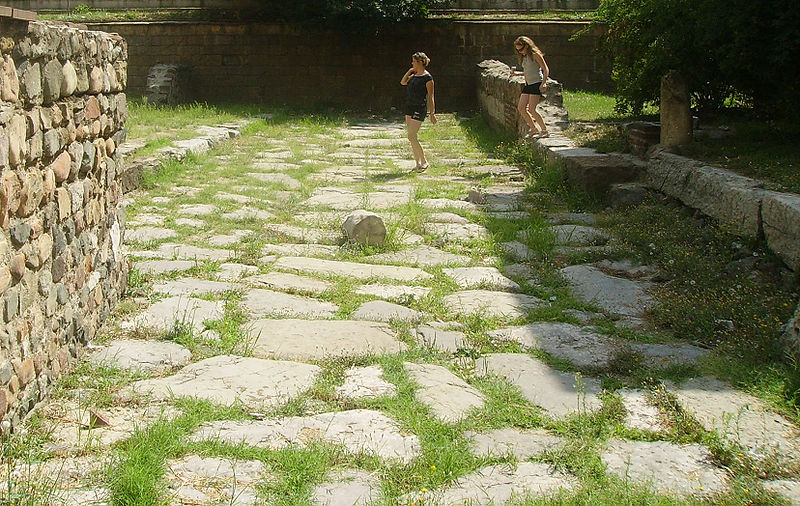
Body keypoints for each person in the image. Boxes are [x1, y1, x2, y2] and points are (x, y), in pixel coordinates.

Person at [400, 52, 437, 171]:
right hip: (409, 107)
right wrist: (410, 71)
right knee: (412, 137)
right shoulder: (414, 75)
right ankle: (417, 163)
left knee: (411, 135)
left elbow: (431, 96)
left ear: (420, 62)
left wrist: (432, 113)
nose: (412, 63)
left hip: (419, 108)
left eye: (414, 61)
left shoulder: (428, 78)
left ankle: (424, 161)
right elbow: (403, 82)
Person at [511, 35, 549, 138]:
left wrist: (544, 82)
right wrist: (517, 74)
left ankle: (544, 130)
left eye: (521, 49)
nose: (520, 52)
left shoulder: (535, 54)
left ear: (527, 46)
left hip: (536, 83)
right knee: (521, 108)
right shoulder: (524, 57)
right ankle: (533, 128)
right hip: (528, 83)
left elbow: (545, 69)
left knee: (532, 109)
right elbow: (528, 71)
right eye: (518, 50)